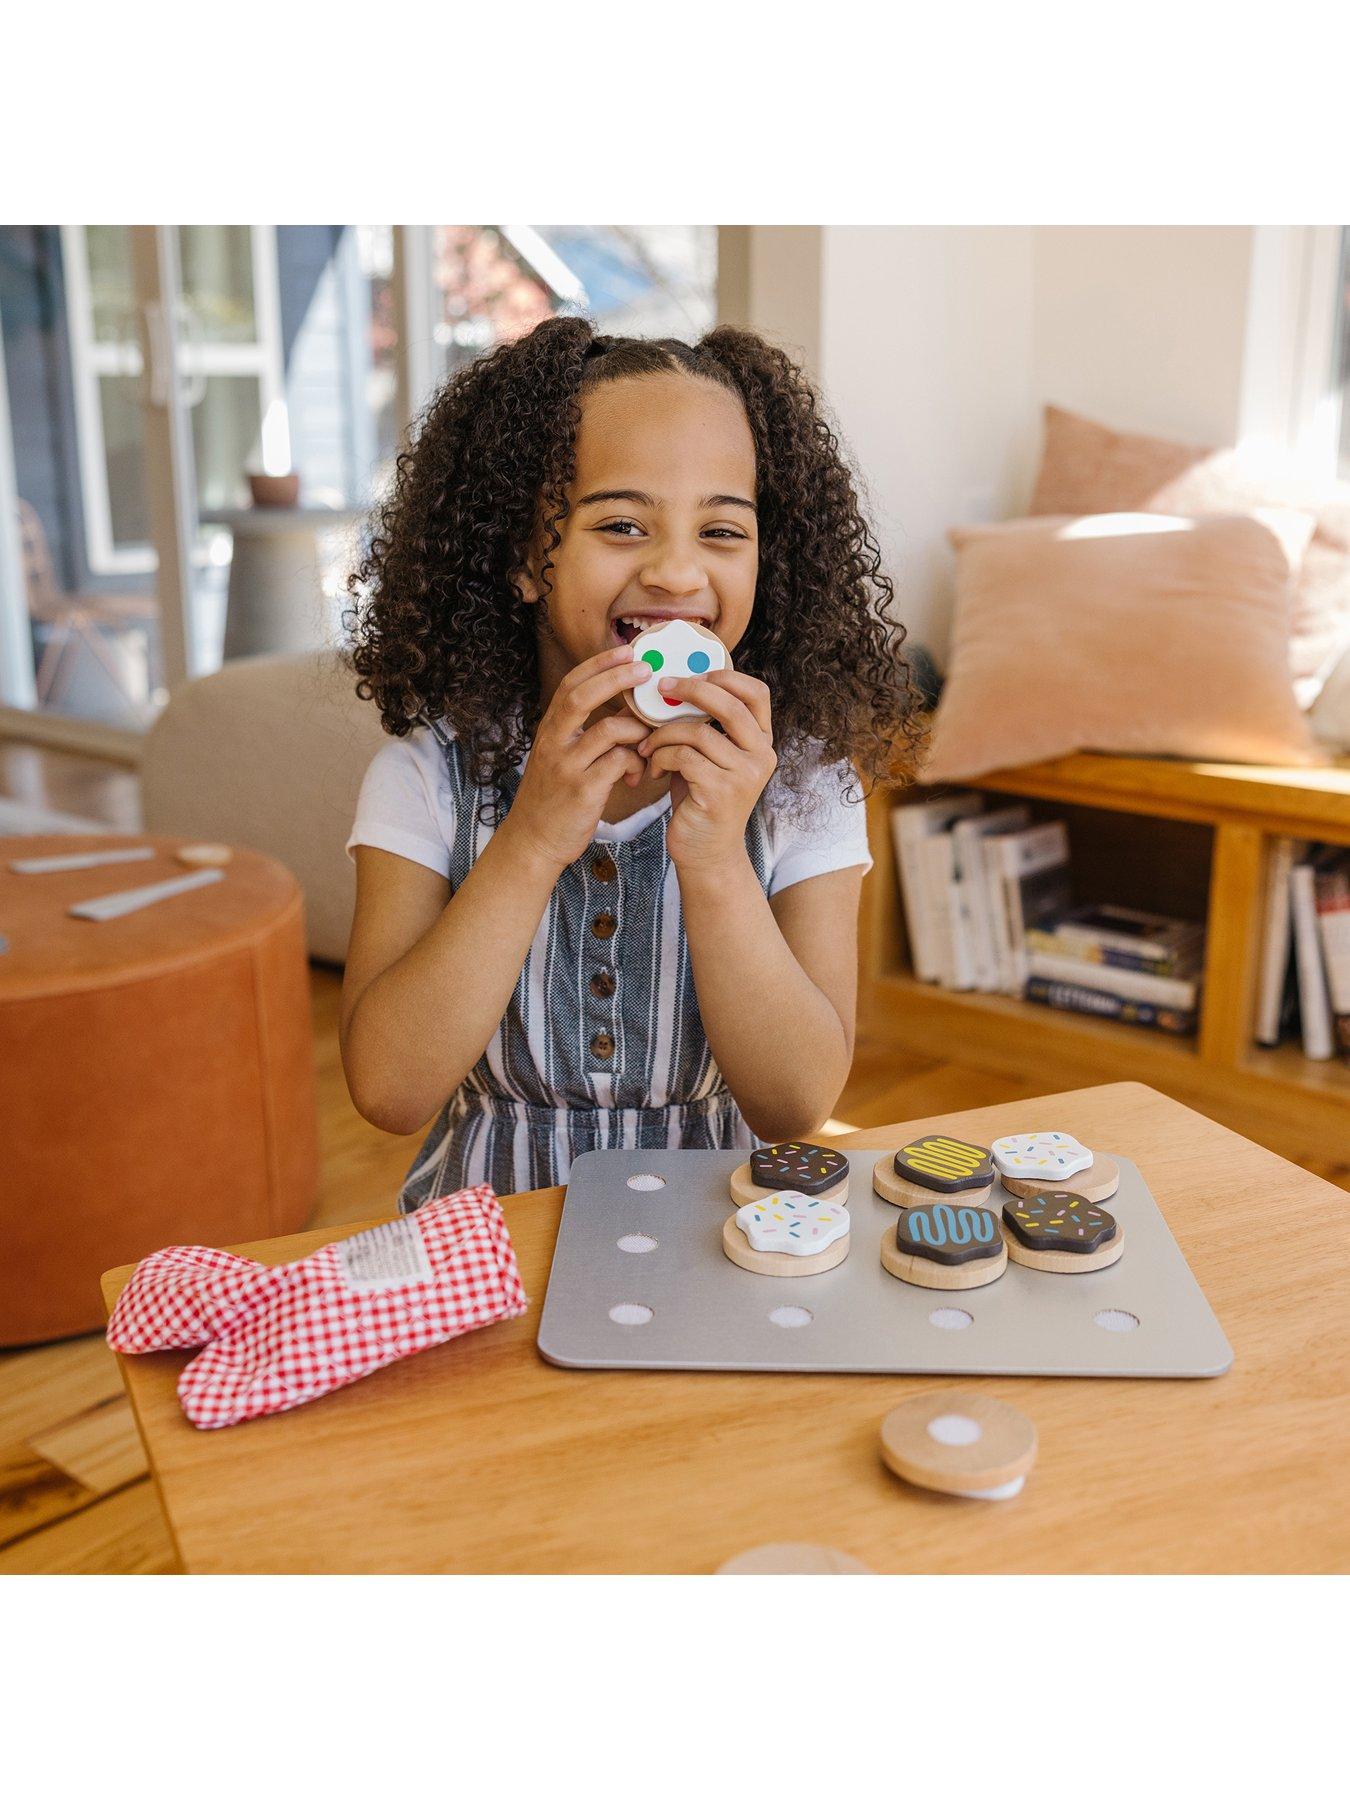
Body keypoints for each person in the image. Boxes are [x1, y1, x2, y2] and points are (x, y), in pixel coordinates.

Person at [340, 318, 920, 1207]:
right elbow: (388, 1090)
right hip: (489, 1242)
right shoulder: (426, 777)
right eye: (622, 523)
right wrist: (532, 838)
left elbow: (797, 1103)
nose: (679, 574)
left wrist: (719, 856)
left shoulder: (803, 783)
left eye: (722, 532)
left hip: (717, 1231)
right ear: (524, 557)